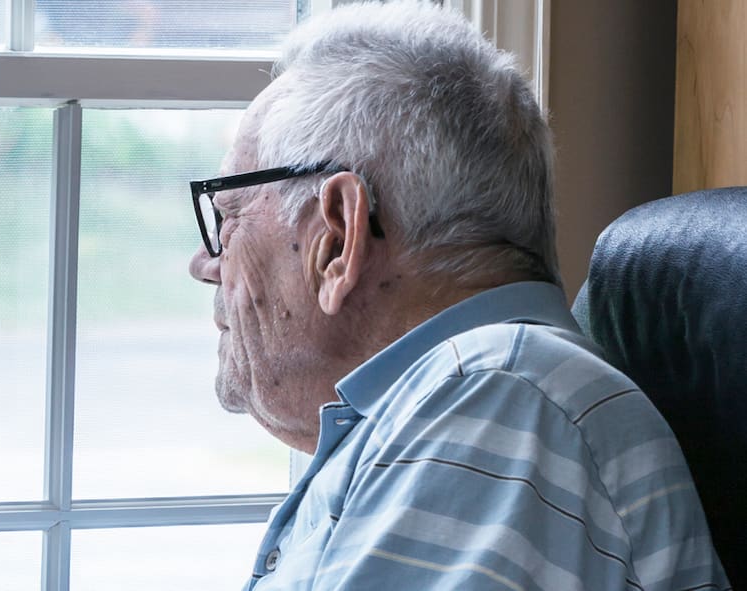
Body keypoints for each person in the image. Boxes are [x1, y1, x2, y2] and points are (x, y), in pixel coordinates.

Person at [186, 2, 730, 589]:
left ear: (338, 237)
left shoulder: (499, 399)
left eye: (228, 218)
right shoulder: (467, 409)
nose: (205, 264)